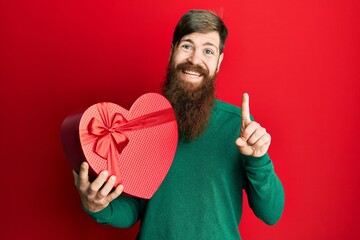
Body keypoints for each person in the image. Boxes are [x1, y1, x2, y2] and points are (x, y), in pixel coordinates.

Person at [73, 9, 285, 239]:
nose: (195, 59)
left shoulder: (239, 128)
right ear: (172, 51)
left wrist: (259, 160)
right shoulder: (142, 123)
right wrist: (98, 207)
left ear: (219, 62)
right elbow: (135, 208)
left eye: (208, 51)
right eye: (186, 46)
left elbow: (271, 213)